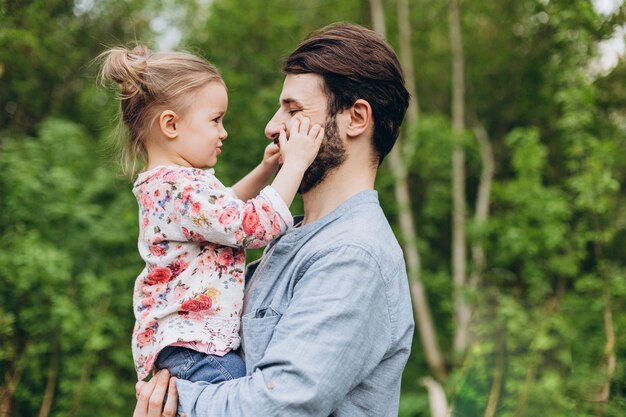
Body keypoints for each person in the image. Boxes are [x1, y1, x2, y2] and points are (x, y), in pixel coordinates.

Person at [134, 22, 415, 417]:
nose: (272, 127)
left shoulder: (353, 255)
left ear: (356, 118)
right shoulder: (292, 242)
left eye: (294, 111)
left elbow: (280, 405)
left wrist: (172, 401)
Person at [99, 46, 323, 386]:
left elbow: (225, 211)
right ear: (171, 125)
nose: (223, 132)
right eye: (215, 120)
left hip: (188, 347)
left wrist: (264, 170)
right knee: (249, 400)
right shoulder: (177, 186)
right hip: (195, 351)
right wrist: (296, 163)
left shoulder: (173, 185)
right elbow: (252, 227)